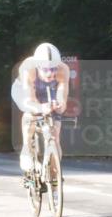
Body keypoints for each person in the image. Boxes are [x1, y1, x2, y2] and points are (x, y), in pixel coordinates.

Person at [12, 43, 69, 185]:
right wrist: (40, 108)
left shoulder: (63, 69)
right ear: (38, 66)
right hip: (24, 91)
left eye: (53, 69)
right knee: (30, 112)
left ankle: (54, 174)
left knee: (55, 133)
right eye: (45, 69)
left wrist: (59, 105)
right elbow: (29, 99)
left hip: (48, 90)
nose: (50, 73)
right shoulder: (28, 68)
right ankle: (26, 147)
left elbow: (62, 96)